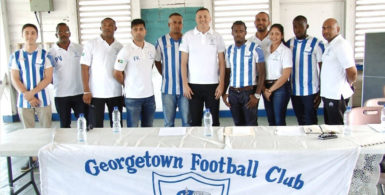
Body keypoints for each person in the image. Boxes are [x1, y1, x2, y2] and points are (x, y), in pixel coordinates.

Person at [9, 23, 53, 171]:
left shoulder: (45, 55)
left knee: (45, 130)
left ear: (37, 35)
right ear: (22, 35)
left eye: (33, 33)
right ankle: (33, 159)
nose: (30, 36)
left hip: (42, 99)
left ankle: (45, 159)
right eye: (27, 33)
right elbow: (15, 78)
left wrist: (33, 93)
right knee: (29, 132)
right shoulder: (16, 56)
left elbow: (48, 78)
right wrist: (27, 96)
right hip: (24, 100)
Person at [180, 7, 225, 126]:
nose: (203, 19)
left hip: (213, 85)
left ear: (210, 18)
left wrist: (221, 84)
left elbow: (222, 62)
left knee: (214, 121)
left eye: (205, 16)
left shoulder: (217, 36)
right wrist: (185, 84)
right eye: (200, 16)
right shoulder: (188, 36)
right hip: (193, 86)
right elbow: (183, 63)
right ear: (196, 19)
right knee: (195, 121)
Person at [80, 17, 124, 128]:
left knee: (117, 125)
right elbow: (84, 67)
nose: (107, 27)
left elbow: (123, 71)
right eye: (104, 25)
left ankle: (117, 145)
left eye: (110, 25)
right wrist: (86, 91)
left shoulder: (120, 47)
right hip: (96, 93)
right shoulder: (91, 44)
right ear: (100, 28)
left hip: (115, 92)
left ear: (115, 28)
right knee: (96, 126)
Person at [114, 19, 156, 127]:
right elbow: (117, 73)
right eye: (135, 29)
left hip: (149, 96)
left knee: (148, 128)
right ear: (131, 32)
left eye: (141, 29)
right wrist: (127, 83)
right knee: (132, 129)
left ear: (145, 31)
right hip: (133, 97)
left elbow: (149, 66)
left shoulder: (151, 48)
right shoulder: (126, 50)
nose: (138, 32)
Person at [222, 21, 266, 126]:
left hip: (249, 93)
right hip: (233, 93)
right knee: (238, 124)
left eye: (241, 31)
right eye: (235, 31)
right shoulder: (229, 50)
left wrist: (257, 95)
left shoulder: (255, 48)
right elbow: (227, 73)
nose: (238, 33)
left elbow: (262, 73)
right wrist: (224, 92)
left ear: (245, 32)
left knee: (251, 124)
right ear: (232, 33)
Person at [286, 15, 324, 125]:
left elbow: (322, 68)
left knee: (310, 120)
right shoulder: (289, 43)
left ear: (307, 26)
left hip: (310, 91)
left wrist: (321, 90)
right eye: (294, 27)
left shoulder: (316, 43)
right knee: (300, 120)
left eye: (300, 26)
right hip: (294, 91)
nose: (297, 30)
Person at [155, 13, 190, 127]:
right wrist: (164, 74)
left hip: (186, 90)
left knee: (187, 122)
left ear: (182, 25)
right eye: (174, 22)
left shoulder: (187, 40)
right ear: (169, 24)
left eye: (179, 22)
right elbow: (157, 60)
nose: (177, 25)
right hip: (167, 90)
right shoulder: (161, 41)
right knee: (169, 123)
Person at [49, 23, 86, 128]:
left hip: (79, 93)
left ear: (70, 33)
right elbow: (47, 74)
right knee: (65, 124)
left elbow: (86, 67)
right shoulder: (51, 53)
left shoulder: (79, 48)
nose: (63, 34)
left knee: (83, 122)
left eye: (66, 31)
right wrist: (57, 83)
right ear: (56, 34)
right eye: (60, 32)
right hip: (61, 95)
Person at [321, 18, 357, 125]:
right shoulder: (331, 45)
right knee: (330, 126)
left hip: (336, 95)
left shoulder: (341, 45)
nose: (326, 31)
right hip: (329, 94)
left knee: (337, 127)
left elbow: (352, 72)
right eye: (323, 28)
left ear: (338, 29)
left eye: (329, 28)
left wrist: (349, 84)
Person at [262, 24, 292, 126]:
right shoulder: (265, 50)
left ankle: (282, 141)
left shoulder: (286, 51)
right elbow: (261, 71)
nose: (274, 36)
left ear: (282, 36)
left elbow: (285, 75)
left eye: (277, 34)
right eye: (271, 34)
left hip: (280, 88)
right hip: (266, 87)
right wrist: (265, 89)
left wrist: (270, 90)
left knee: (279, 120)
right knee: (271, 120)